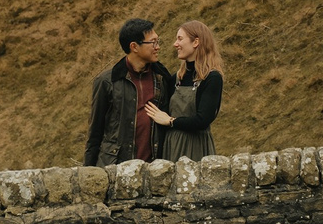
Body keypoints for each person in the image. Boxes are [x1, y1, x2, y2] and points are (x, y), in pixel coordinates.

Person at [83, 18, 174, 167]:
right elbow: (95, 133)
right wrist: (88, 173)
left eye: (158, 41)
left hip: (154, 169)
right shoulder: (106, 81)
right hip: (115, 168)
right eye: (153, 42)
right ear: (134, 46)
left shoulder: (162, 77)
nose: (158, 47)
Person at [147, 19, 224, 161]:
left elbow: (202, 120)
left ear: (195, 42)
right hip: (171, 145)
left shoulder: (212, 78)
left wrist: (171, 121)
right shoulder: (176, 78)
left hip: (196, 146)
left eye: (180, 39)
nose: (175, 44)